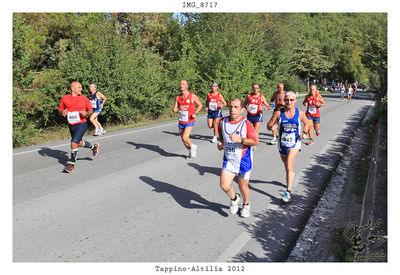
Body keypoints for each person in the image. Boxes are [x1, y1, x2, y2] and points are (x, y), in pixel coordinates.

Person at [217, 98, 259, 217]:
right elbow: (221, 133)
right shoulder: (222, 122)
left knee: (242, 185)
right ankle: (234, 198)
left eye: (236, 107)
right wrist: (221, 143)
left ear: (242, 110)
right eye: (231, 106)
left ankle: (246, 205)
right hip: (229, 159)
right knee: (224, 185)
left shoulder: (246, 124)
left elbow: (256, 142)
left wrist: (241, 140)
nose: (232, 109)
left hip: (243, 160)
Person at [267, 92, 309, 204]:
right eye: (287, 100)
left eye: (291, 100)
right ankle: (291, 177)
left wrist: (304, 132)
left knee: (289, 166)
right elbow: (268, 125)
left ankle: (288, 192)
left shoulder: (299, 113)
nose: (289, 102)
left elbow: (307, 123)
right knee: (287, 167)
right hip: (282, 144)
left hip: (295, 143)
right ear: (284, 101)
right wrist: (272, 126)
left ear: (295, 101)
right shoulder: (278, 113)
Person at [59, 81, 100, 173]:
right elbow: (60, 109)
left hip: (82, 123)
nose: (81, 89)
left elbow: (90, 111)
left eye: (81, 87)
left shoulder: (84, 99)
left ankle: (71, 164)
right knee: (77, 143)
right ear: (72, 88)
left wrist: (86, 113)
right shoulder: (65, 98)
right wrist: (63, 112)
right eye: (79, 87)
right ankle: (94, 147)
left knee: (73, 142)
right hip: (71, 124)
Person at [172, 80, 203, 160]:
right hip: (181, 120)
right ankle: (190, 152)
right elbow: (175, 107)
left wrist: (195, 113)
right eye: (180, 84)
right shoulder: (178, 97)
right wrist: (174, 109)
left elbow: (200, 105)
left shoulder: (192, 96)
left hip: (189, 120)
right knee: (183, 139)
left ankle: (193, 146)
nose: (181, 85)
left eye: (183, 84)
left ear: (187, 86)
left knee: (185, 138)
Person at [244, 83, 270, 148]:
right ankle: (250, 141)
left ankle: (254, 143)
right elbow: (244, 104)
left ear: (259, 89)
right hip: (250, 115)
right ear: (252, 88)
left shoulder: (261, 97)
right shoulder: (249, 96)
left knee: (256, 128)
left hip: (258, 115)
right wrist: (246, 107)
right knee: (250, 129)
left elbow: (268, 106)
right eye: (254, 88)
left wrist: (266, 107)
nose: (255, 89)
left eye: (256, 88)